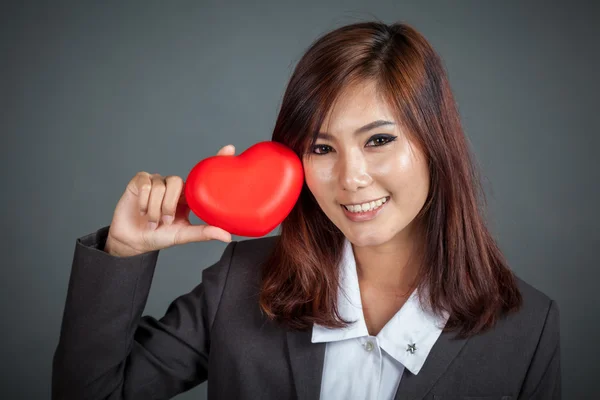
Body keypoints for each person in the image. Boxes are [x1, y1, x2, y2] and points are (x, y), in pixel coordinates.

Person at [52, 21, 561, 400]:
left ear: (435, 145)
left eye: (379, 140)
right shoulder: (242, 283)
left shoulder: (527, 328)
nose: (351, 177)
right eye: (322, 148)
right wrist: (124, 251)